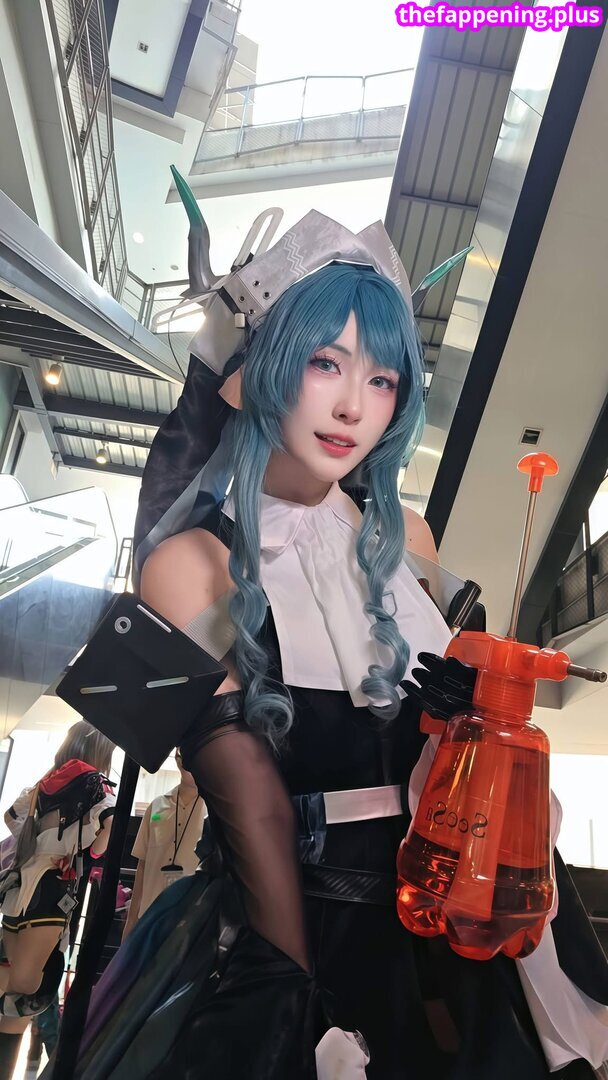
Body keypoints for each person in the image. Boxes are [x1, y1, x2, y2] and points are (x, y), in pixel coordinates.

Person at [62, 211, 608, 1080]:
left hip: (448, 926)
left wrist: (464, 730)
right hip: (302, 929)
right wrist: (293, 996)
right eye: (326, 363)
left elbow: (456, 779)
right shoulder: (191, 563)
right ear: (265, 366)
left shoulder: (410, 541)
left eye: (383, 378)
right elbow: (257, 813)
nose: (355, 405)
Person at [0, 721, 115, 1017]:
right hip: (55, 881)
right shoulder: (95, 782)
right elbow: (111, 825)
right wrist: (88, 850)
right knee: (25, 987)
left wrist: (38, 841)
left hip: (22, 880)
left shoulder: (45, 781)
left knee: (10, 975)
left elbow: (11, 818)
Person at [122, 751, 205, 939]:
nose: (186, 760)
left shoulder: (216, 811)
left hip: (191, 923)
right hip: (149, 917)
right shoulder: (157, 806)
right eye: (181, 753)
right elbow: (142, 865)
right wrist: (131, 920)